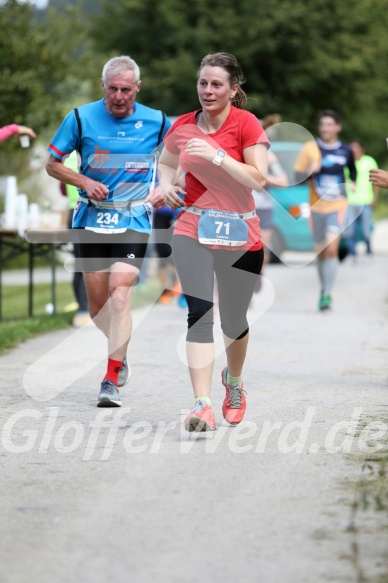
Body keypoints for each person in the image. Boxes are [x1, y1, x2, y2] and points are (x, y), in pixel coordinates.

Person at [46, 55, 171, 407]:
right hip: (90, 219)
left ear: (138, 88)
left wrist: (166, 185)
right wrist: (83, 179)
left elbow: (181, 157)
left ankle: (110, 376)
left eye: (126, 90)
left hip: (133, 218)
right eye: (113, 89)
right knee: (99, 306)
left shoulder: (157, 120)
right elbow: (52, 164)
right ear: (103, 87)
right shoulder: (80, 118)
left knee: (120, 294)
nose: (119, 96)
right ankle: (121, 349)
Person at [155, 52, 269, 432]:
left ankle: (233, 383)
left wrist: (219, 155)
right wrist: (167, 185)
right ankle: (201, 404)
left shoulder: (247, 125)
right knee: (200, 313)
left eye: (216, 84)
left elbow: (258, 179)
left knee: (235, 319)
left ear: (233, 89)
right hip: (193, 229)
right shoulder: (184, 125)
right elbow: (167, 162)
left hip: (241, 232)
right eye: (202, 83)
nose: (207, 90)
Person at [294, 110, 357, 311]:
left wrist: (353, 183)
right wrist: (309, 172)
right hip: (316, 207)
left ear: (337, 127)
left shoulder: (345, 150)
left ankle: (328, 294)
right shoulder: (310, 149)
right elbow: (296, 176)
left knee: (331, 249)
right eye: (322, 125)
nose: (325, 128)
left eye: (329, 125)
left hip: (338, 205)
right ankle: (324, 288)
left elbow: (352, 170)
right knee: (321, 252)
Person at [253, 114, 288, 292]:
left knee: (262, 251)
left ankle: (258, 274)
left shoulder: (270, 157)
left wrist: (262, 178)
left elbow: (283, 180)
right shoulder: (239, 152)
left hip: (264, 209)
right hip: (243, 207)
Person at [60, 151, 90, 327]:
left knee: (80, 263)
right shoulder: (92, 151)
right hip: (89, 210)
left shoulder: (67, 158)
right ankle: (86, 311)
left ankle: (82, 310)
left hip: (73, 211)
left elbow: (62, 189)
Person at [345, 141, 379, 257]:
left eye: (356, 150)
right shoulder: (346, 162)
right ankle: (352, 252)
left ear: (361, 150)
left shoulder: (369, 161)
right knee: (350, 230)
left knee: (365, 229)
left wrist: (375, 197)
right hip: (350, 201)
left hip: (366, 201)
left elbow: (375, 181)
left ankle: (368, 250)